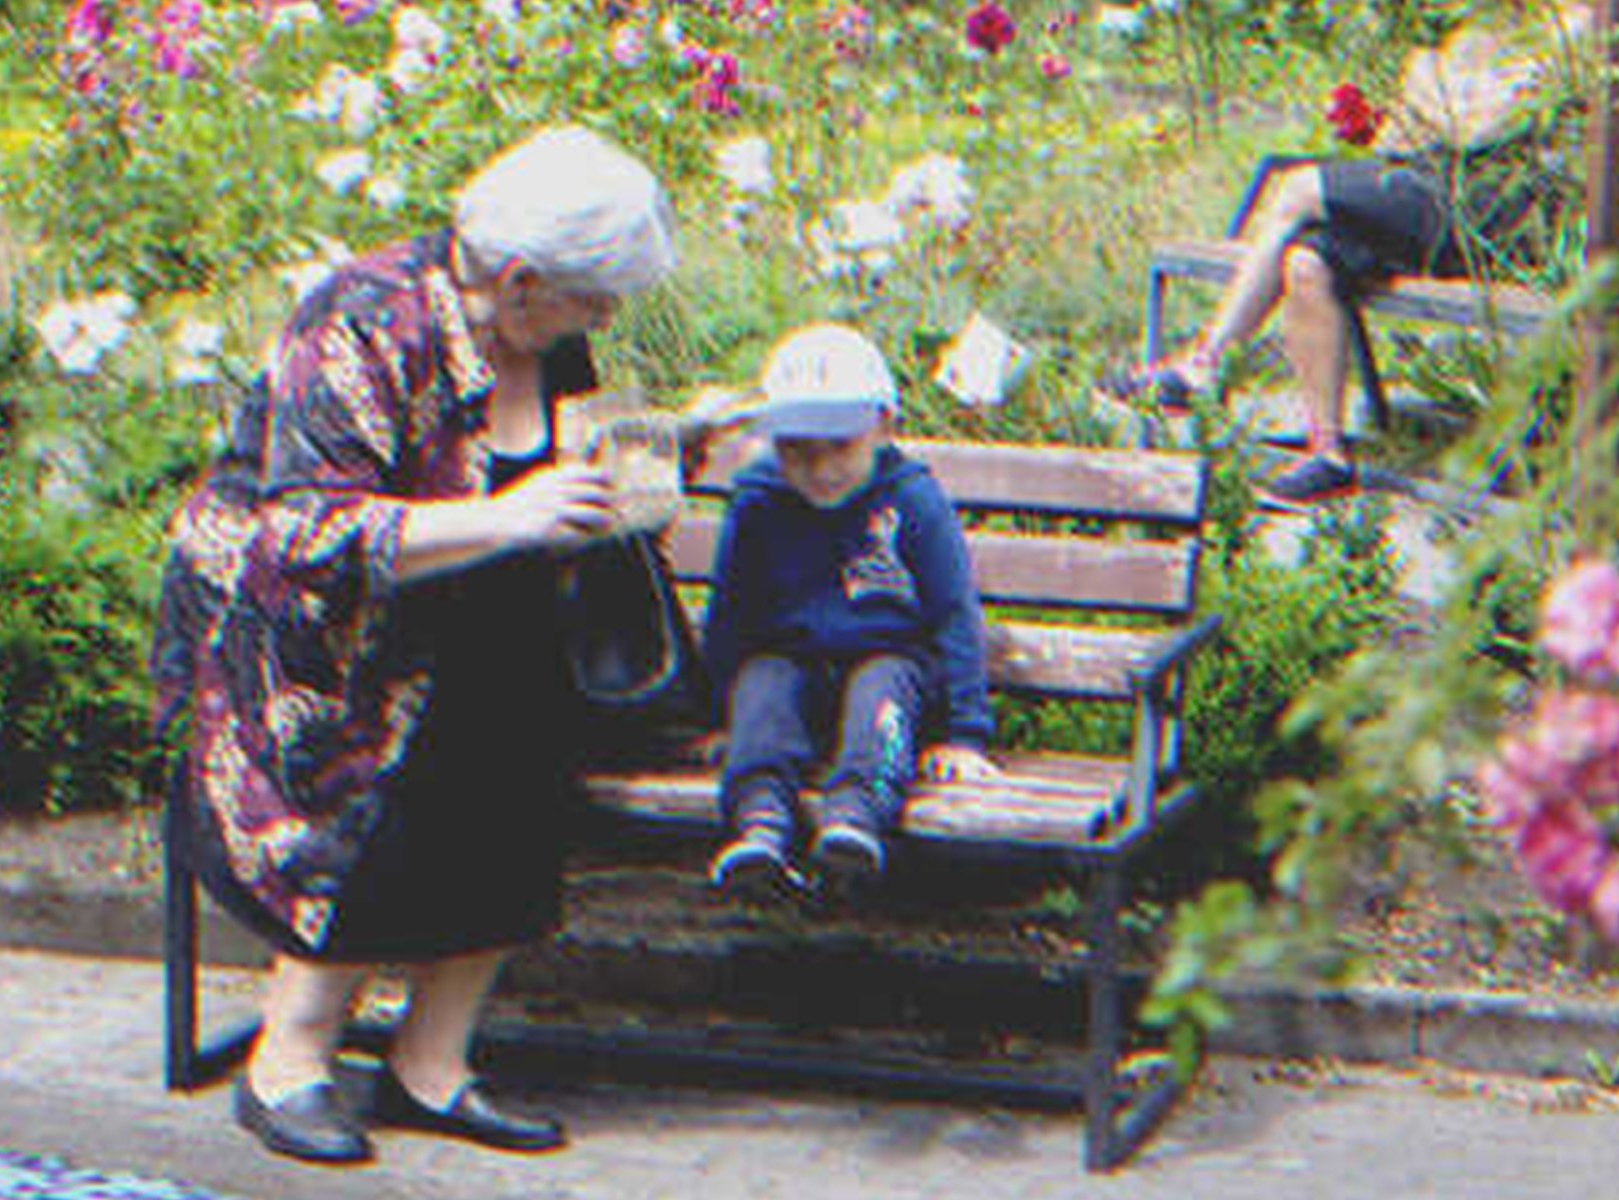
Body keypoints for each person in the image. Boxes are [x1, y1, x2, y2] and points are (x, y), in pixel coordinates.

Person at [147, 124, 678, 1166]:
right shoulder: (362, 321)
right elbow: (306, 533)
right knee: (389, 787)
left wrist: (644, 471)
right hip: (309, 635)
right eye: (594, 302)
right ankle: (288, 1062)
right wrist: (516, 519)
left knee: (522, 777)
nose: (604, 322)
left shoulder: (545, 331)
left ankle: (430, 1065)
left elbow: (552, 470)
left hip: (480, 610)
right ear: (520, 279)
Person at [1110, 4, 1592, 506]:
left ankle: (1206, 365)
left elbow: (1478, 127)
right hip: (1427, 189)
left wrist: (1449, 96)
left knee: (1298, 190)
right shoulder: (1485, 20)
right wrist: (1447, 96)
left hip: (1492, 213)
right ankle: (1328, 456)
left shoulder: (1573, 24)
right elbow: (1408, 125)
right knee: (1307, 262)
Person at [698, 323, 1000, 901]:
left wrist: (966, 734)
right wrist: (718, 713)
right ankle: (759, 828)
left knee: (881, 687)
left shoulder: (911, 498)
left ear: (883, 426)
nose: (819, 468)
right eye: (796, 450)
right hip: (794, 662)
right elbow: (731, 612)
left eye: (840, 446)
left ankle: (855, 821)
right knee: (763, 680)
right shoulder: (759, 499)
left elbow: (953, 612)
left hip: (890, 662)